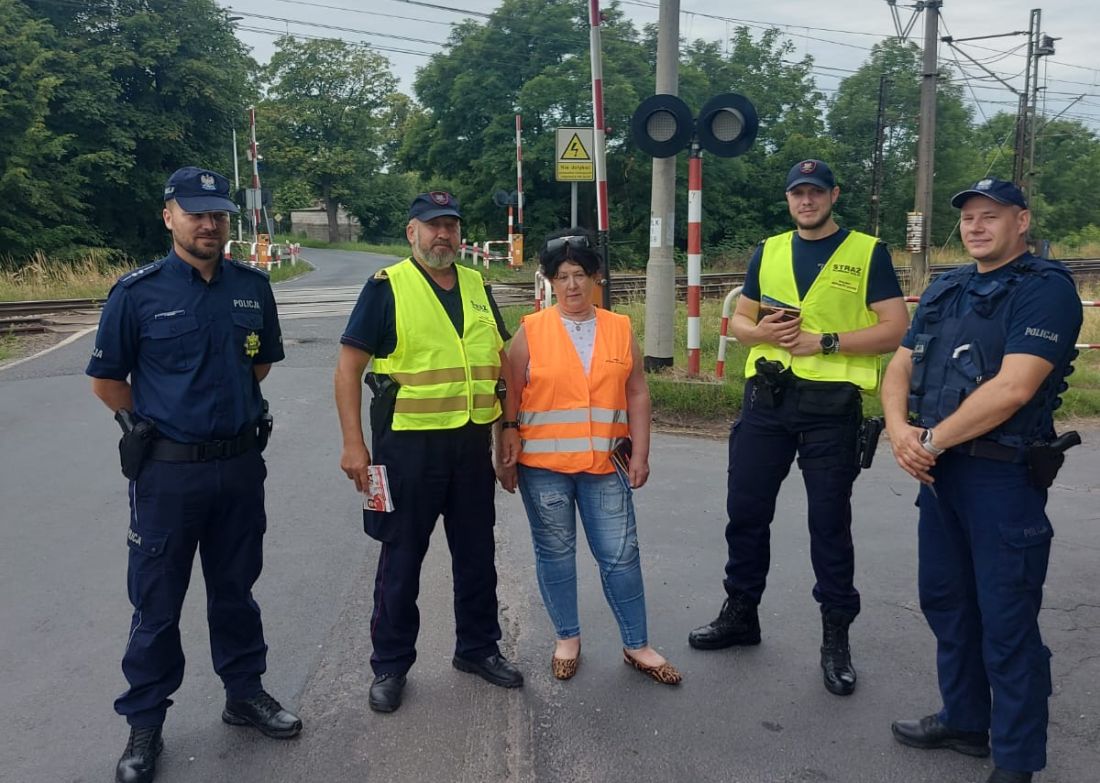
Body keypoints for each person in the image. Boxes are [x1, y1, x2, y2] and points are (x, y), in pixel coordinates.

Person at [87, 167, 301, 783]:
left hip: (239, 468)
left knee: (236, 590)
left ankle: (244, 694)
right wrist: (156, 425)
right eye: (196, 213)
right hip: (168, 477)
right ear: (169, 217)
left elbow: (258, 366)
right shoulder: (138, 293)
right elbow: (107, 381)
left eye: (218, 214)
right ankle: (145, 724)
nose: (209, 224)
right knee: (157, 604)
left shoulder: (252, 288)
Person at [882, 178, 1082, 783]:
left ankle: (1017, 762)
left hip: (1002, 478)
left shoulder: (1046, 291)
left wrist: (931, 439)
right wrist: (898, 429)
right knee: (948, 603)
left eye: (989, 216)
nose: (974, 226)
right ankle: (966, 721)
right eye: (968, 217)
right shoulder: (948, 286)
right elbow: (900, 361)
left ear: (1021, 221)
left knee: (1006, 618)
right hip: (940, 474)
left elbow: (1015, 387)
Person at [687, 159, 909, 696]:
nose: (805, 201)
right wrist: (757, 330)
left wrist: (827, 342)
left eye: (814, 193)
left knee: (829, 524)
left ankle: (836, 637)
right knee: (745, 511)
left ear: (833, 195)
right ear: (788, 200)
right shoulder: (770, 250)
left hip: (831, 408)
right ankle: (741, 613)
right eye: (797, 194)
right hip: (767, 399)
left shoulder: (866, 252)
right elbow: (740, 322)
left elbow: (895, 327)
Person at [334, 191, 524, 715]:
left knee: (476, 554)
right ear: (411, 232)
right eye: (432, 226)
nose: (444, 235)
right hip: (406, 449)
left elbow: (501, 361)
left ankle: (478, 649)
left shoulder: (476, 285)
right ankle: (391, 664)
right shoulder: (387, 287)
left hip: (467, 445)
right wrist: (354, 443)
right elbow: (349, 367)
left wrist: (509, 425)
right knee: (401, 560)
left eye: (451, 226)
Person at [498, 229, 681, 685]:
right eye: (562, 277)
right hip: (544, 472)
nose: (572, 285)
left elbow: (637, 393)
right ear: (550, 282)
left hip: (606, 467)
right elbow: (510, 394)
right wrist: (507, 442)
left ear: (595, 278)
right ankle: (568, 639)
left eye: (580, 274)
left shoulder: (619, 329)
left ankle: (637, 644)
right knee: (556, 556)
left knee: (620, 557)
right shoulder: (531, 330)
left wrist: (641, 452)